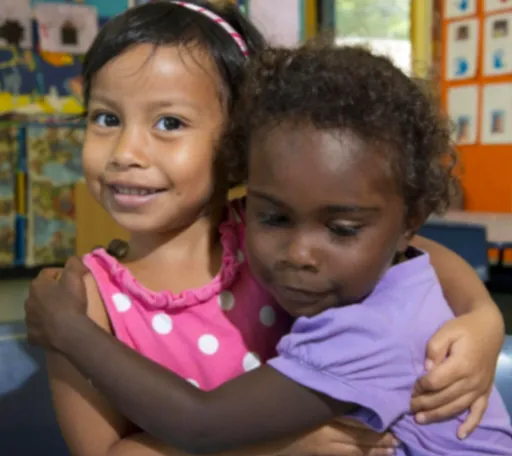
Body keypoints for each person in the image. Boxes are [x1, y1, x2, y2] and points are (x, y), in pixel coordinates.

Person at [23, 2, 505, 456]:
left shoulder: (275, 234)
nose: (126, 152)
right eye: (106, 118)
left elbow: (421, 256)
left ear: (238, 139)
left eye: (169, 123)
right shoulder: (84, 300)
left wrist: (483, 318)